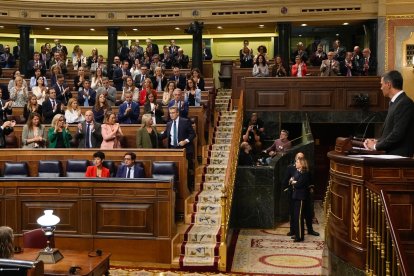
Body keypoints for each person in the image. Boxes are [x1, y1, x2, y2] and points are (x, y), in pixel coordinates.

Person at [364, 70, 414, 157]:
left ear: (388, 84)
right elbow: (391, 132)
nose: (381, 88)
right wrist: (377, 141)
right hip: (391, 155)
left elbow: (397, 134)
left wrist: (376, 146)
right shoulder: (395, 102)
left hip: (399, 157)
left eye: (382, 84)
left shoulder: (405, 103)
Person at [283, 152, 319, 239]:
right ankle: (294, 231)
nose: (300, 159)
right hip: (294, 193)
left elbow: (310, 180)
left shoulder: (306, 169)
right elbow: (285, 181)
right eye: (299, 158)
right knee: (294, 214)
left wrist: (311, 188)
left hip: (305, 194)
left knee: (308, 213)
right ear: (296, 158)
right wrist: (289, 187)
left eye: (302, 158)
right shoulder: (290, 168)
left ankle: (310, 230)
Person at [161, 106, 196, 190]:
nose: (171, 115)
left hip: (185, 149)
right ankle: (176, 188)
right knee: (174, 169)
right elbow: (165, 135)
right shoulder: (169, 123)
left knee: (186, 169)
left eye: (173, 113)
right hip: (173, 149)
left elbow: (192, 134)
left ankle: (188, 187)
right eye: (170, 113)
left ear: (177, 113)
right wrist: (153, 134)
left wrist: (185, 141)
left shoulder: (185, 121)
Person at [288, 155, 310, 242]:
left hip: (300, 197)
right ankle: (297, 234)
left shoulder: (305, 173)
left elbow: (298, 184)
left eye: (297, 162)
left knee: (299, 218)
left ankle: (300, 237)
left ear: (301, 164)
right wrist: (293, 181)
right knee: (295, 217)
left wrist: (294, 182)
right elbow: (291, 180)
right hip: (295, 196)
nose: (295, 163)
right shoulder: (298, 172)